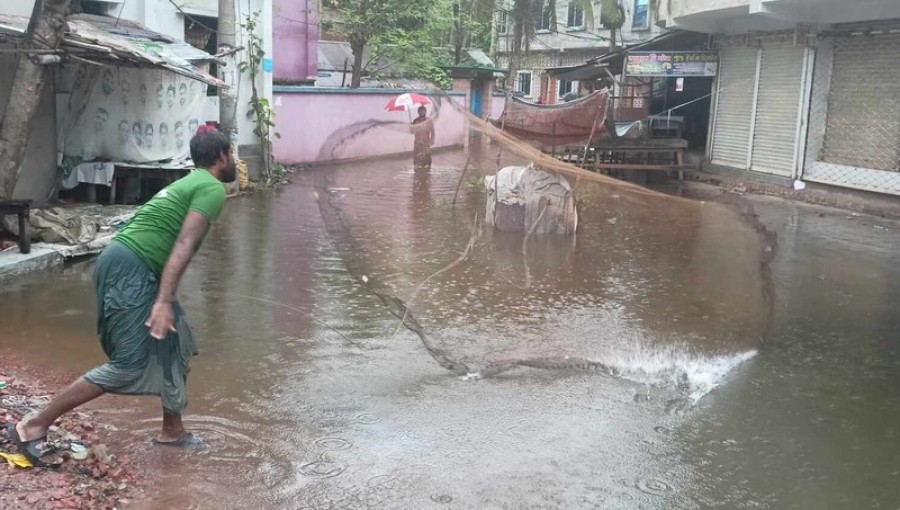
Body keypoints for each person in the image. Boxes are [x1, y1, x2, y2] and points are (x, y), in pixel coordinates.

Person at [8, 129, 236, 464]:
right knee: (129, 364)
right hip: (130, 267)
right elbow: (184, 245)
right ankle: (34, 425)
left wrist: (164, 298)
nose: (234, 162)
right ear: (221, 156)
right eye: (233, 155)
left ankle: (172, 431)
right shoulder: (212, 187)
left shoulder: (192, 182)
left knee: (175, 345)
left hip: (130, 265)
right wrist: (161, 301)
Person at [410, 105, 435, 171]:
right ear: (418, 112)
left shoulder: (429, 120)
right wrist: (411, 126)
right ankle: (416, 169)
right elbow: (412, 132)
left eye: (423, 111)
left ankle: (428, 169)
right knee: (416, 156)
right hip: (417, 142)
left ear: (425, 112)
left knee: (427, 156)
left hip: (426, 141)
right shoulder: (415, 120)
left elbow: (432, 130)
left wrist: (432, 139)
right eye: (420, 111)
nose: (421, 112)